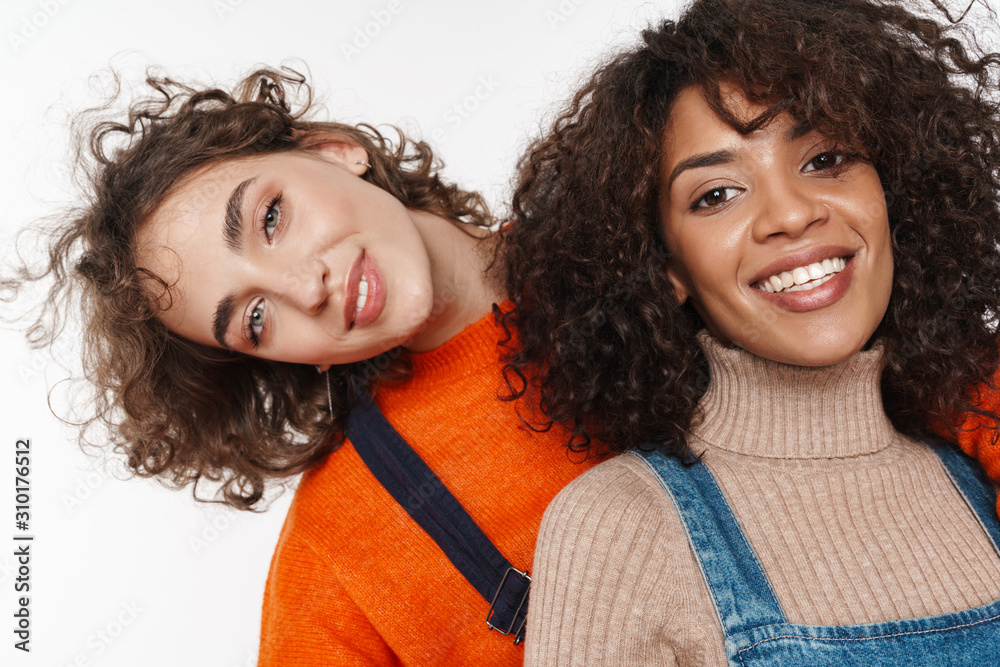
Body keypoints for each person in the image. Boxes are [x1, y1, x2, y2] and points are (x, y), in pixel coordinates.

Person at [3, 68, 597, 665]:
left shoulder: (654, 221)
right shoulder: (336, 555)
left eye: (270, 219)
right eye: (255, 319)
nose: (303, 288)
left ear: (334, 153)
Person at [492, 0, 1000, 663]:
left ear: (890, 189)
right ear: (667, 266)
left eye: (825, 158)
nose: (788, 214)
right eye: (716, 195)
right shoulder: (621, 526)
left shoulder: (976, 475)